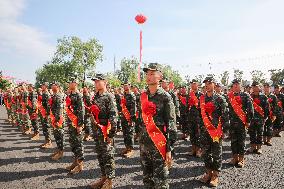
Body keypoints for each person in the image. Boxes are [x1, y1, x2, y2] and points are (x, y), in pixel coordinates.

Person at [139, 63, 177, 188]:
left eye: (152, 74)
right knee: (147, 179)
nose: (148, 76)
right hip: (145, 144)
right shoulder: (143, 96)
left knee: (161, 181)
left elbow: (171, 123)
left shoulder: (165, 97)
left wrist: (169, 148)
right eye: (147, 74)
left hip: (159, 145)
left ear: (159, 77)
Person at [199, 76, 229, 187]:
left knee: (216, 153)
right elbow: (199, 115)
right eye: (205, 83)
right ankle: (208, 173)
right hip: (204, 131)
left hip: (216, 131)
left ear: (214, 84)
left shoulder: (220, 99)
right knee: (205, 153)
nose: (207, 85)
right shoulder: (202, 99)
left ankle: (215, 175)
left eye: (209, 83)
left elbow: (225, 116)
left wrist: (225, 131)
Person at [89, 74, 118, 189]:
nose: (95, 83)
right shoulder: (95, 96)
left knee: (108, 156)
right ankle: (103, 178)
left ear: (105, 82)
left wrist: (111, 134)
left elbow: (113, 116)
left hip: (106, 131)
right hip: (97, 131)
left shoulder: (109, 97)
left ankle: (109, 182)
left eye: (98, 81)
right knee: (100, 155)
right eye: (94, 81)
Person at [227, 79, 254, 168]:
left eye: (237, 84)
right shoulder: (229, 96)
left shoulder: (246, 95)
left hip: (242, 123)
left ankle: (241, 159)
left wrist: (248, 121)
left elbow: (250, 109)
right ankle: (235, 158)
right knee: (233, 141)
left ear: (240, 86)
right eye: (234, 84)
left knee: (241, 141)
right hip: (232, 122)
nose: (235, 86)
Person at [65, 78, 85, 174]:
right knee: (73, 143)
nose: (69, 83)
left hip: (76, 123)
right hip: (71, 123)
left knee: (78, 144)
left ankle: (80, 165)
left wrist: (80, 125)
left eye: (70, 82)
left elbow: (81, 111)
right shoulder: (70, 94)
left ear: (75, 83)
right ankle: (75, 162)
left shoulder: (78, 95)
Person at [249, 81, 269, 154]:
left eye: (256, 86)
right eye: (253, 86)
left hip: (260, 119)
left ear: (259, 87)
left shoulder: (263, 97)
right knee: (252, 133)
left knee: (260, 133)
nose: (255, 88)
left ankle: (259, 148)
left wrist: (265, 118)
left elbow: (266, 108)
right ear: (252, 88)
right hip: (251, 119)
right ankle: (253, 147)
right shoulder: (249, 96)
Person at [119, 82, 136, 158]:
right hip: (123, 118)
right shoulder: (124, 96)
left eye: (126, 85)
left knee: (130, 134)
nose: (125, 87)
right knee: (125, 133)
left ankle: (131, 149)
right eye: (124, 85)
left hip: (129, 118)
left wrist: (132, 119)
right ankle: (127, 147)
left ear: (129, 86)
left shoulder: (132, 95)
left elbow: (133, 108)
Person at [49, 82, 65, 161]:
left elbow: (59, 109)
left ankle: (61, 152)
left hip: (58, 120)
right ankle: (58, 150)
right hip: (54, 118)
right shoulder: (54, 95)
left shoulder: (58, 96)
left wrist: (57, 120)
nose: (52, 86)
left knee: (59, 136)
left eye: (53, 85)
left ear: (57, 86)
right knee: (56, 135)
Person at [188, 79, 203, 157]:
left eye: (194, 84)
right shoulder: (189, 94)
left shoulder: (201, 95)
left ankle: (198, 150)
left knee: (198, 134)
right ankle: (193, 149)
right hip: (190, 117)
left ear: (198, 85)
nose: (193, 85)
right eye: (192, 84)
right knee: (192, 134)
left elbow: (203, 107)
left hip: (198, 118)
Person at [38, 82, 53, 148]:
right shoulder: (44, 93)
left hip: (46, 114)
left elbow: (48, 106)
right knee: (44, 127)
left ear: (46, 86)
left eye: (43, 85)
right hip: (43, 113)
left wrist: (47, 114)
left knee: (47, 127)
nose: (41, 86)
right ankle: (46, 141)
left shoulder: (47, 94)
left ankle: (49, 142)